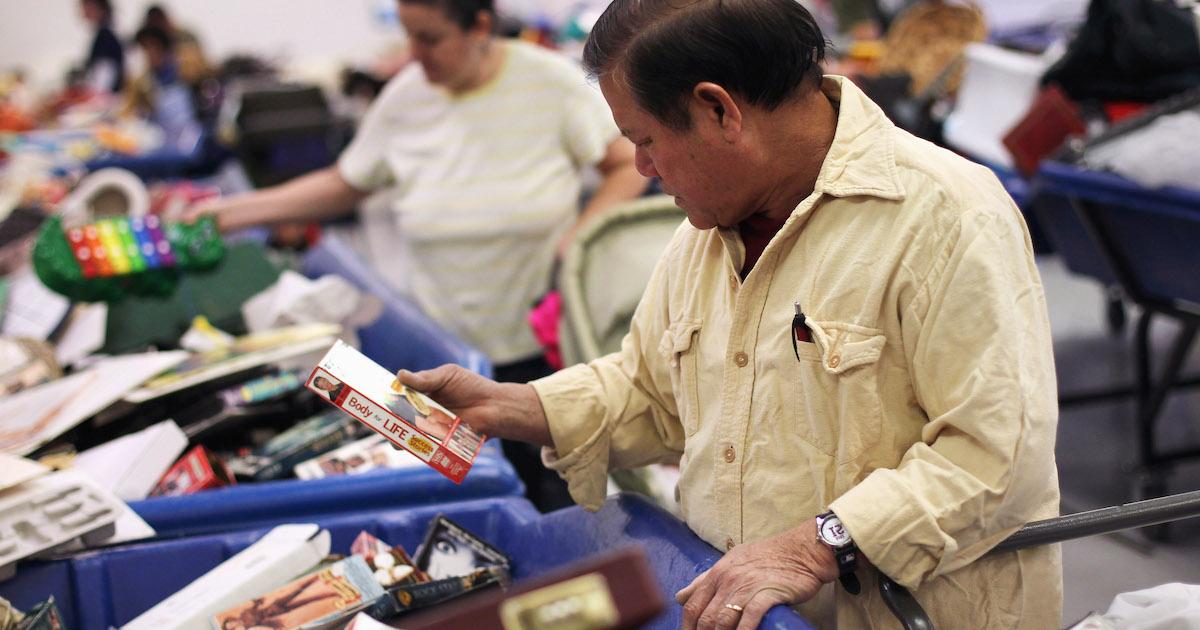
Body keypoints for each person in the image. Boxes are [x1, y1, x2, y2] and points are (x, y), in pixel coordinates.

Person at [395, 0, 1062, 628]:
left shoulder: (946, 217)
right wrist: (514, 407)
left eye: (646, 138)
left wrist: (817, 546)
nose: (640, 166)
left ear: (718, 111)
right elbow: (654, 391)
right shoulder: (711, 229)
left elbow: (995, 457)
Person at [186, 0, 646, 511]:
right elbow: (344, 183)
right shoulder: (406, 98)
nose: (415, 55)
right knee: (473, 497)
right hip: (442, 355)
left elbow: (627, 164)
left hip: (538, 351)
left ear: (480, 27)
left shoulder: (549, 83)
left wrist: (576, 239)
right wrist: (229, 214)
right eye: (409, 38)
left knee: (556, 499)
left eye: (429, 39)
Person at [78, 0, 124, 93]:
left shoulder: (106, 36)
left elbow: (104, 78)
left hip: (106, 95)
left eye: (87, 6)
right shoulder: (104, 32)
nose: (84, 11)